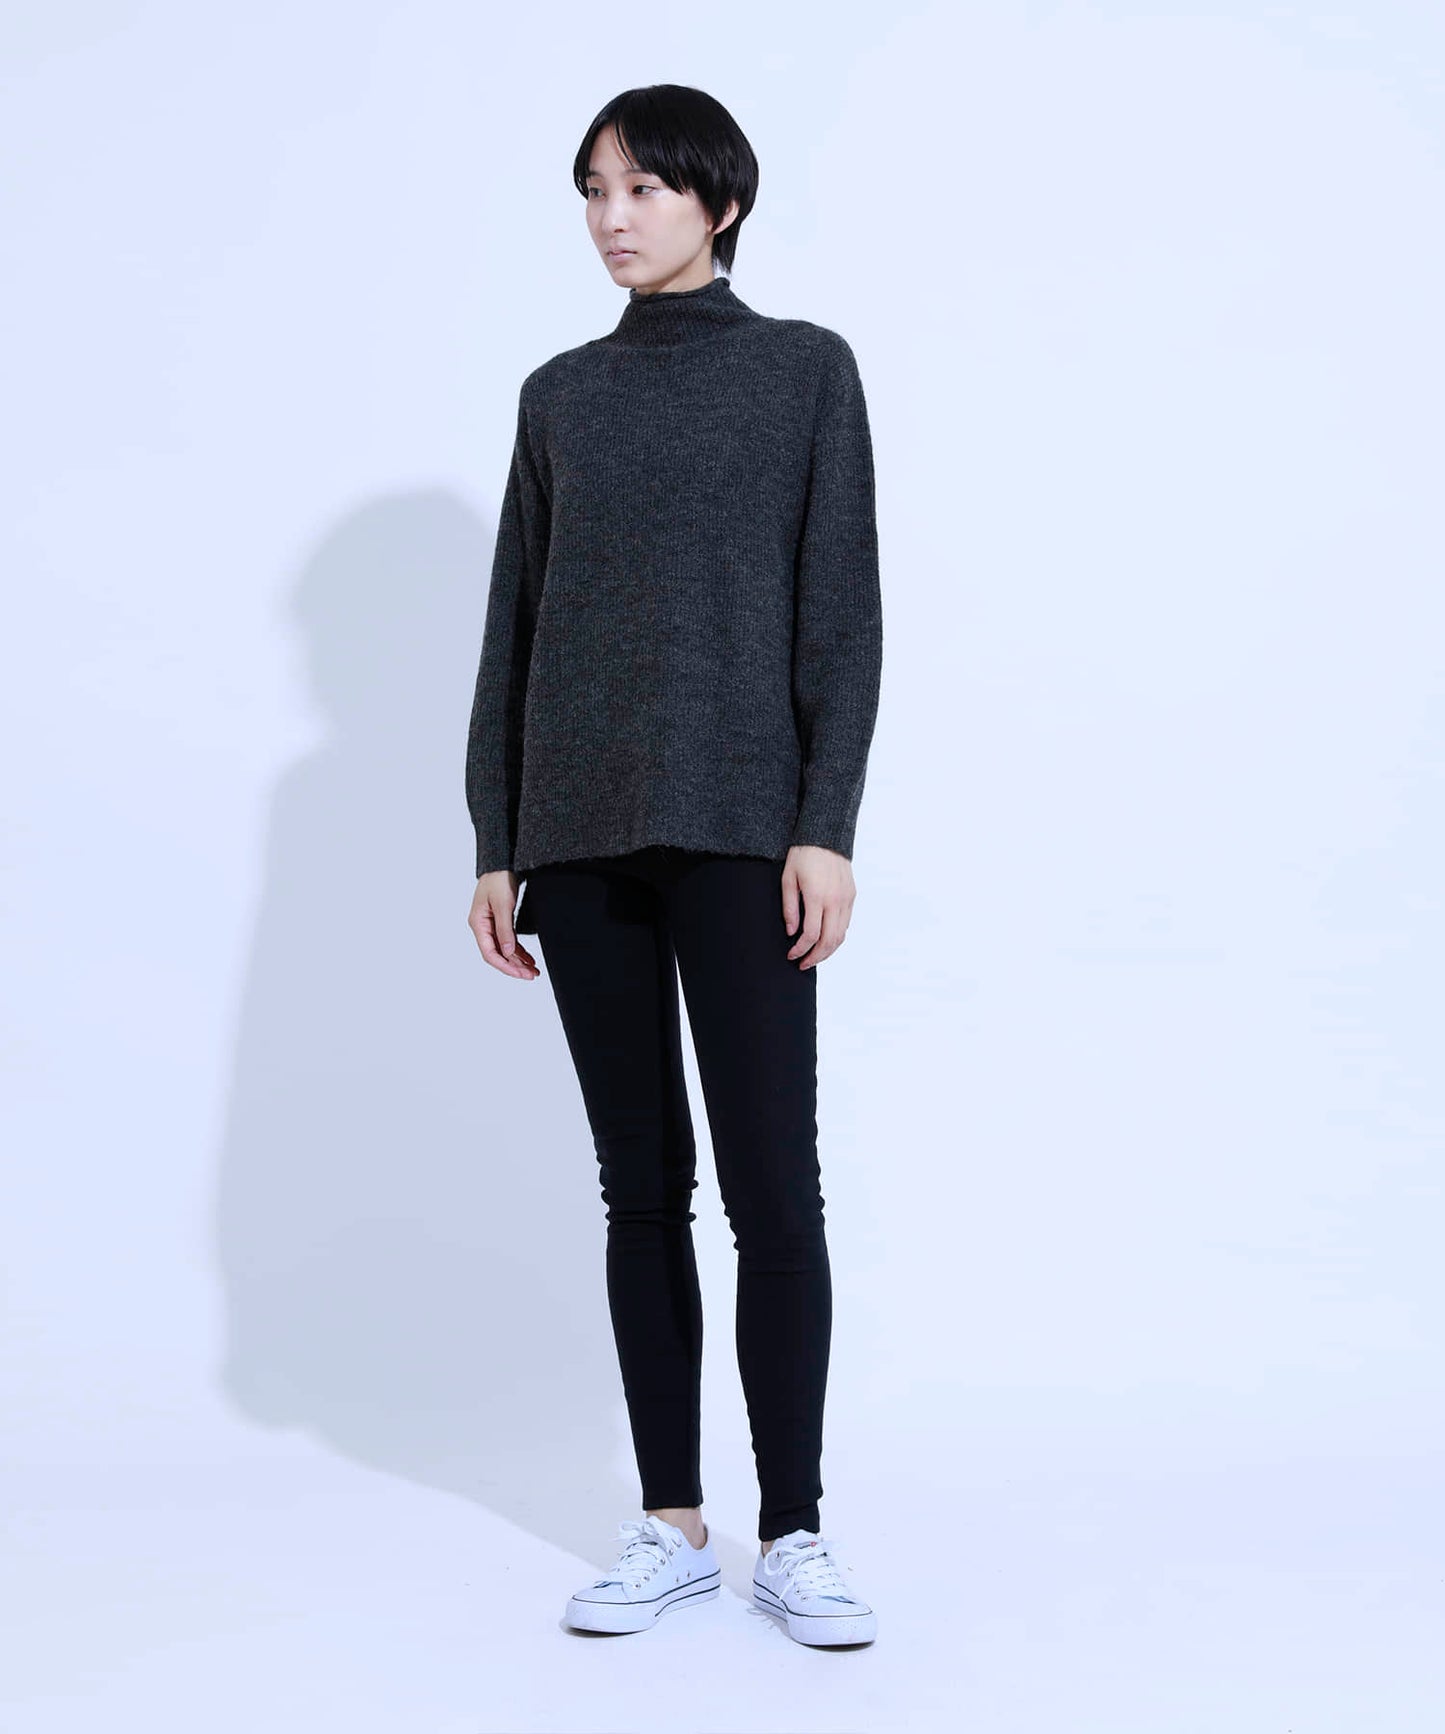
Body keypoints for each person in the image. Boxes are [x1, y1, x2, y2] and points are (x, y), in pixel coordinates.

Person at [464, 83, 883, 1648]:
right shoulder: (559, 394)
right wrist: (496, 838)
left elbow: (839, 612)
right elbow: (514, 625)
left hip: (741, 829)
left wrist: (823, 821)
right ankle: (671, 1523)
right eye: (593, 189)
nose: (611, 216)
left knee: (774, 1184)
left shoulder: (802, 371)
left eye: (641, 187)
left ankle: (796, 1528)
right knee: (638, 1187)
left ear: (720, 201)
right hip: (578, 839)